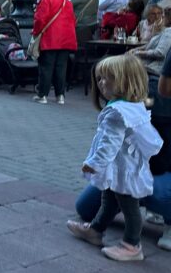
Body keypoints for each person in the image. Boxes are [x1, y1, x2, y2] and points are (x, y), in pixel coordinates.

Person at [67, 55, 163, 261]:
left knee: (129, 206)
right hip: (124, 165)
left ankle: (132, 245)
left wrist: (93, 164)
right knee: (109, 198)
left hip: (123, 168)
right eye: (100, 78)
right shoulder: (133, 105)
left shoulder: (117, 112)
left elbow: (109, 144)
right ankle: (96, 229)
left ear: (126, 81)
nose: (101, 83)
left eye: (107, 78)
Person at [32, 0, 77, 105]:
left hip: (50, 37)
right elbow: (73, 20)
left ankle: (43, 95)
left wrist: (36, 33)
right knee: (61, 68)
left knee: (46, 67)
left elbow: (40, 19)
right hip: (66, 38)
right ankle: (60, 95)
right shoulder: (67, 1)